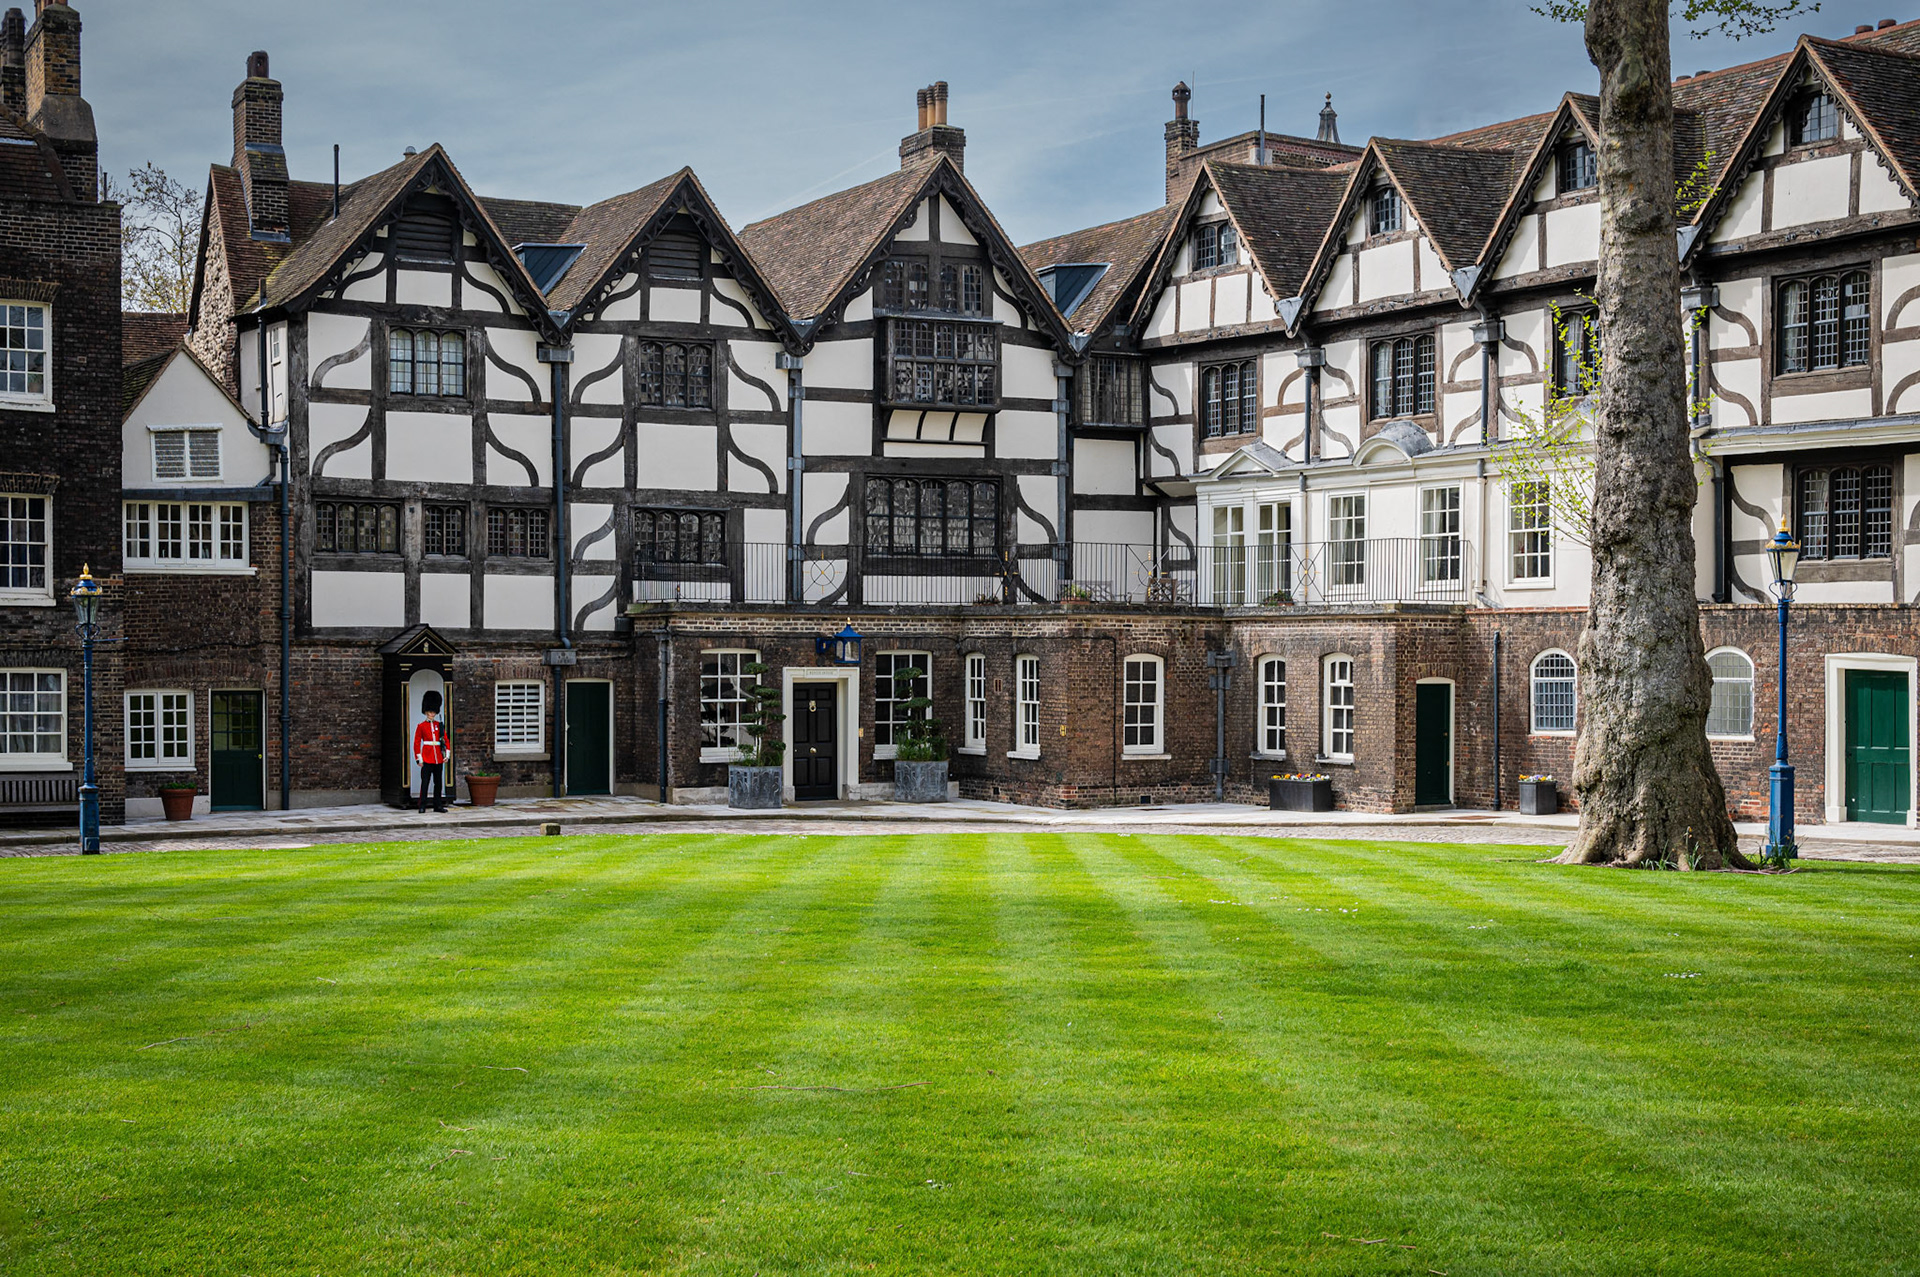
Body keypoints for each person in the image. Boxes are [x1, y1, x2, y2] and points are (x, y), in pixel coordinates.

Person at [413, 693, 450, 813]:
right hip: (427, 757)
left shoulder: (439, 725)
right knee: (425, 783)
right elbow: (417, 743)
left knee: (438, 783)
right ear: (426, 712)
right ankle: (422, 805)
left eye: (433, 712)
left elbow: (445, 740)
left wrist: (446, 754)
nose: (432, 714)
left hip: (438, 758)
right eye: (430, 712)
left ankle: (437, 805)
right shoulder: (421, 726)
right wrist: (419, 758)